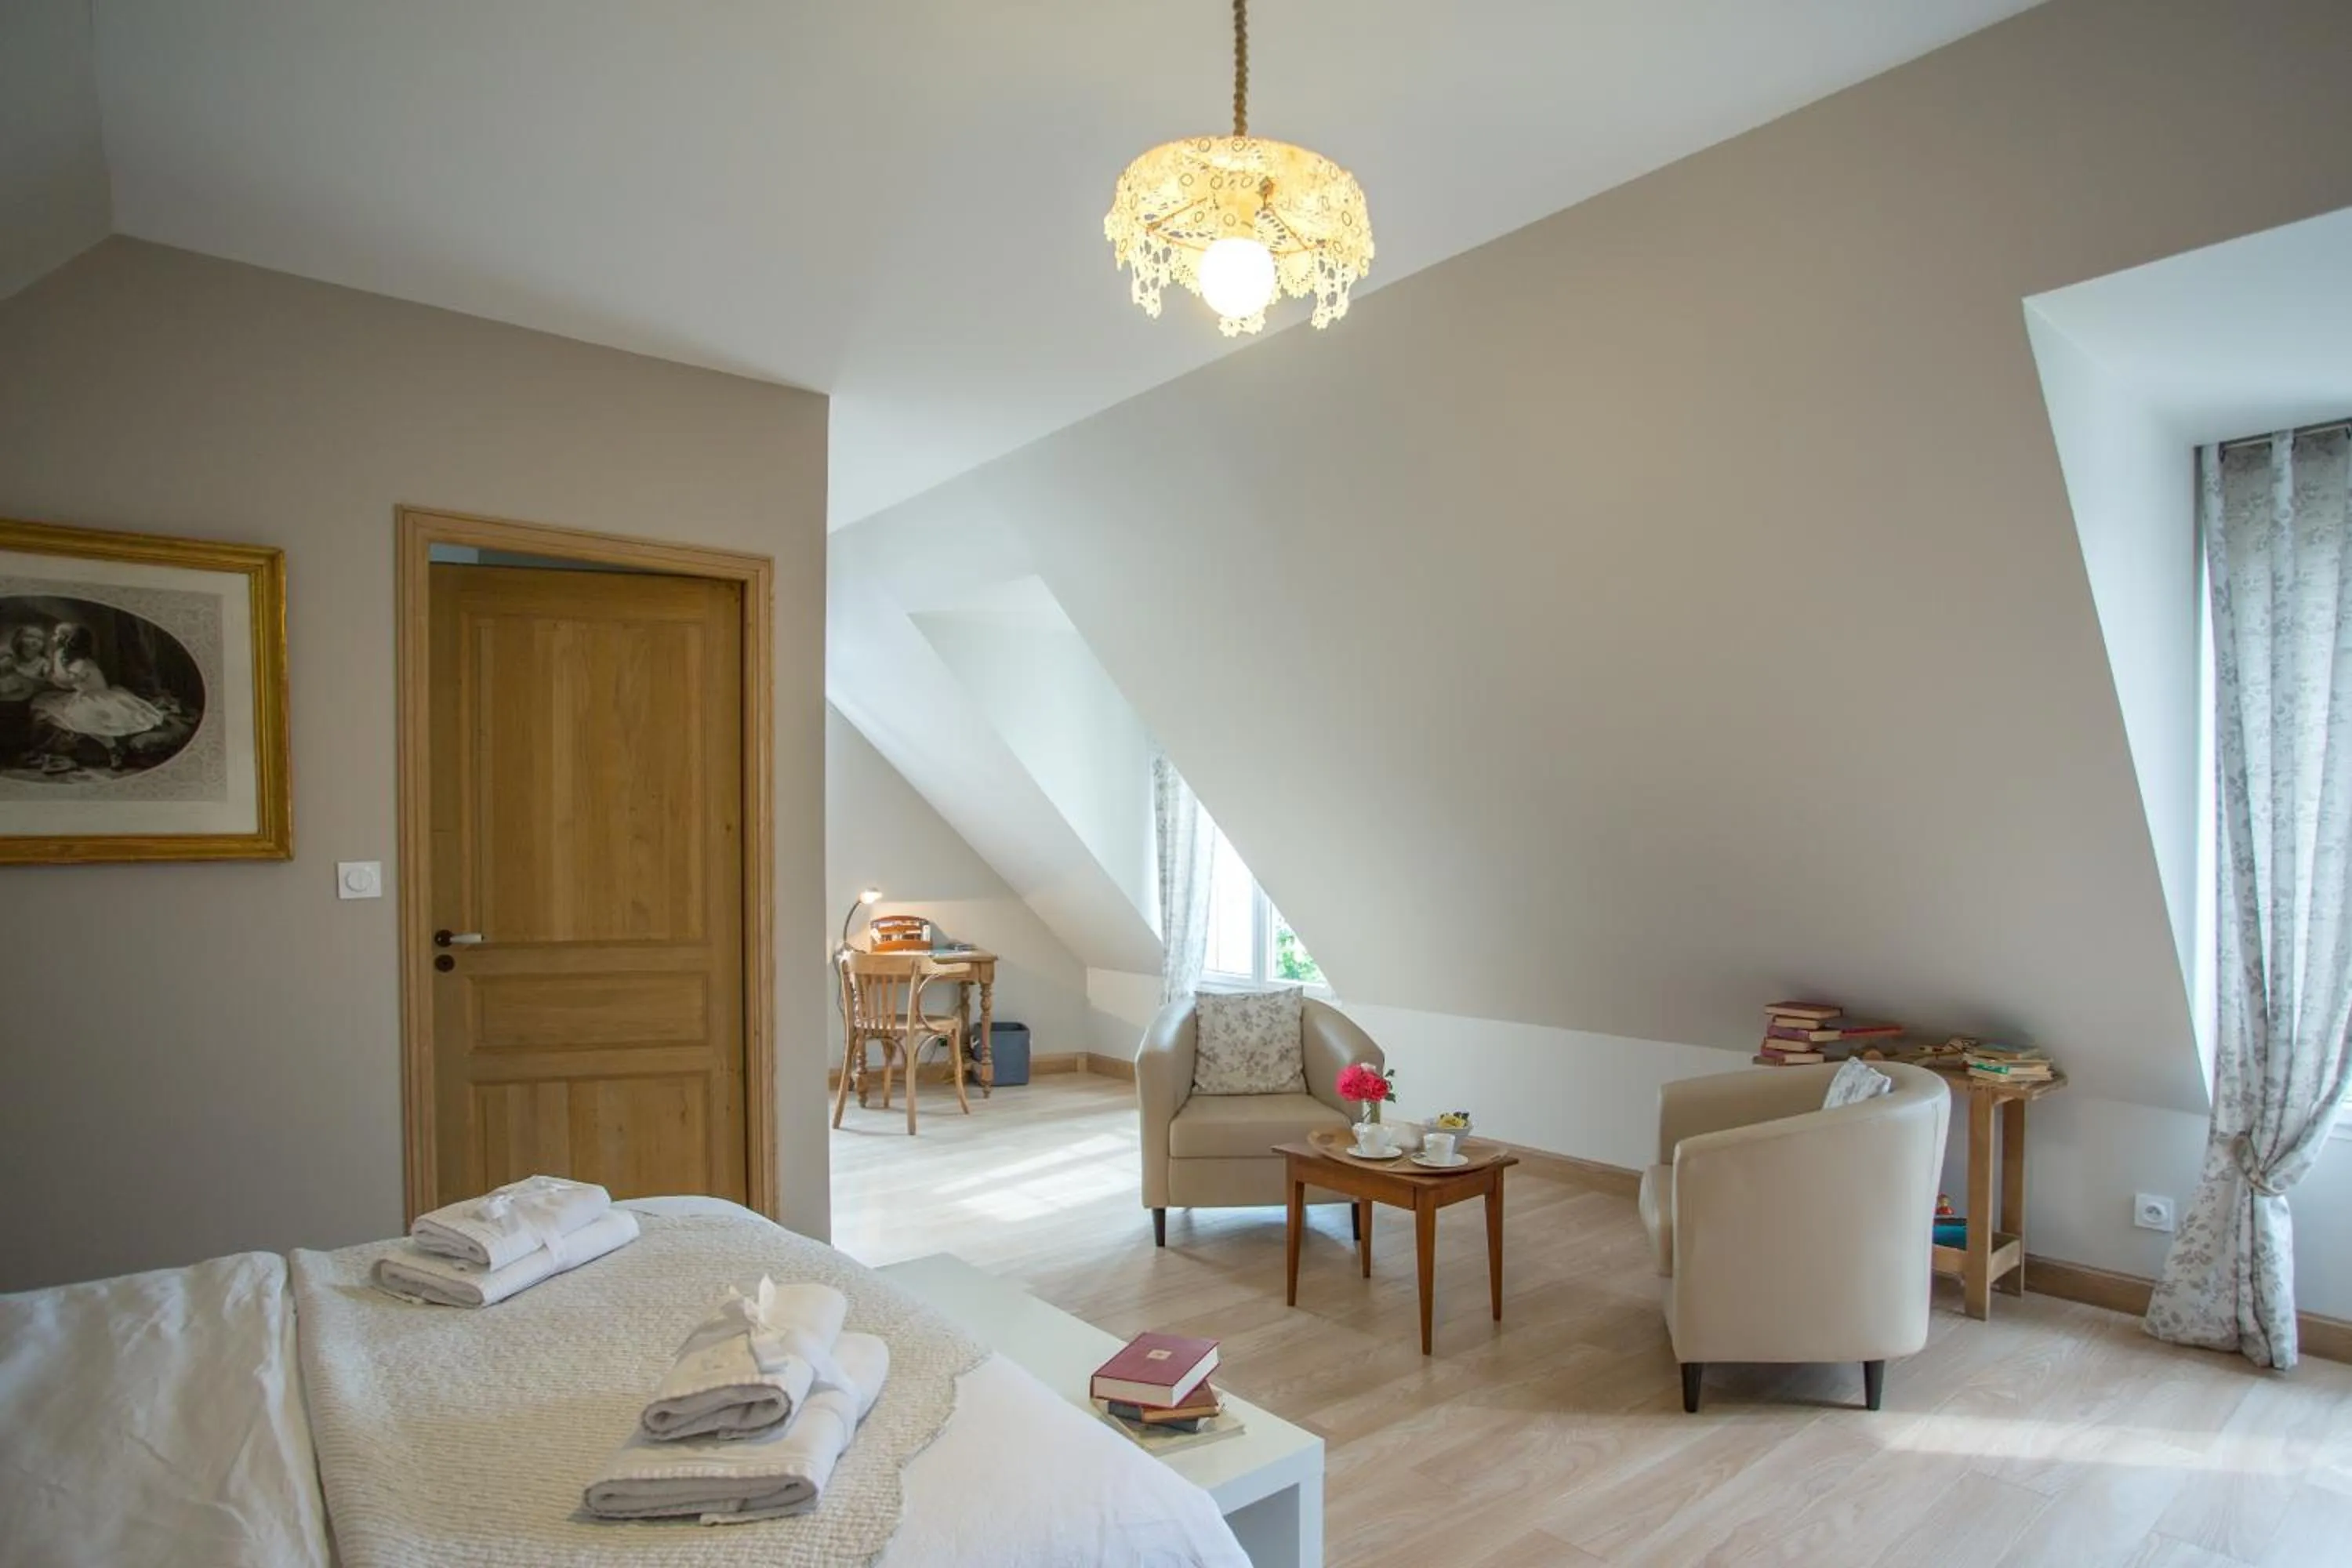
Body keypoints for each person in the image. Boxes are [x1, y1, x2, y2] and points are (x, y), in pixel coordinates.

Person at [29, 622, 165, 769]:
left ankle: (114, 752)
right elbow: (63, 680)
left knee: (90, 721)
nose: (53, 638)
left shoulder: (80, 663)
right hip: (84, 695)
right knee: (43, 705)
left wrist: (49, 673)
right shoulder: (63, 656)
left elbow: (66, 683)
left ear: (67, 640)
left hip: (98, 698)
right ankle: (43, 747)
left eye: (57, 635)